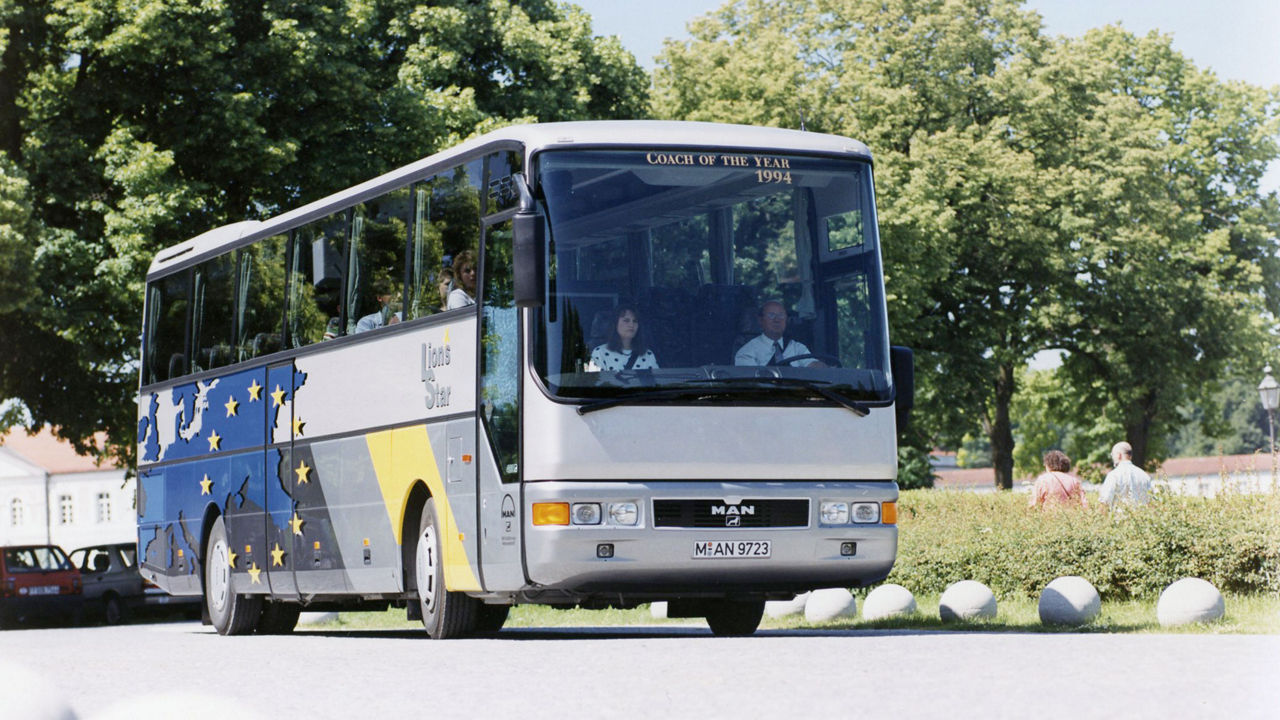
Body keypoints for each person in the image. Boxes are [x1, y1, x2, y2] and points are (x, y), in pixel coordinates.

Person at [734, 300, 824, 367]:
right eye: (771, 315)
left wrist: (824, 368)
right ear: (760, 320)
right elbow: (751, 383)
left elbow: (813, 365)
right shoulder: (747, 352)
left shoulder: (797, 348)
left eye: (781, 315)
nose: (777, 320)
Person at [587, 305, 659, 371]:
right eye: (626, 320)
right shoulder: (600, 353)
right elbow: (595, 382)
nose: (631, 324)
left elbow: (656, 383)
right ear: (615, 324)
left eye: (635, 321)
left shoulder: (648, 355)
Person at [1099, 441, 1152, 509]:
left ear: (1119, 455)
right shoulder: (1144, 475)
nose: (1112, 458)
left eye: (1112, 455)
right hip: (1142, 518)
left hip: (1120, 518)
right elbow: (1151, 503)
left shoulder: (1114, 475)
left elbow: (1104, 502)